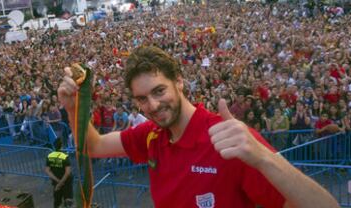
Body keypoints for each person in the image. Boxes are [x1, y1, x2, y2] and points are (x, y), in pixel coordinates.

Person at [59, 46, 338, 207]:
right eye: (142, 99)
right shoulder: (152, 135)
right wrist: (74, 106)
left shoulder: (228, 139)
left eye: (159, 91)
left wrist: (265, 157)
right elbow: (92, 146)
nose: (153, 106)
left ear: (179, 82)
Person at [45, 139, 73, 208]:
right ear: (62, 146)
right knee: (68, 201)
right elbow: (68, 172)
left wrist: (58, 182)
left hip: (56, 183)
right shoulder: (65, 156)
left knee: (57, 201)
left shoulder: (49, 156)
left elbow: (47, 170)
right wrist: (61, 182)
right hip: (66, 182)